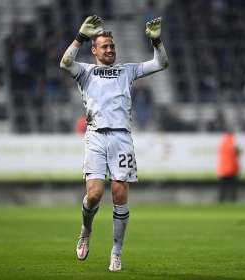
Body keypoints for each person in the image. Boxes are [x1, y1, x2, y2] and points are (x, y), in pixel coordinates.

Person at [60, 15, 168, 271]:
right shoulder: (85, 71)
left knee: (120, 194)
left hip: (121, 136)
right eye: (104, 46)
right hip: (96, 135)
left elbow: (161, 63)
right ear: (94, 50)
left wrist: (156, 41)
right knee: (95, 194)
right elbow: (65, 64)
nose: (110, 50)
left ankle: (116, 252)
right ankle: (86, 229)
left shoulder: (127, 70)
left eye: (112, 46)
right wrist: (79, 37)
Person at [216, 130, 240, 202]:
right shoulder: (233, 142)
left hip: (223, 169)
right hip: (232, 168)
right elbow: (237, 152)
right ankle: (232, 200)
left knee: (223, 187)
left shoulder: (222, 142)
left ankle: (221, 200)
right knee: (232, 187)